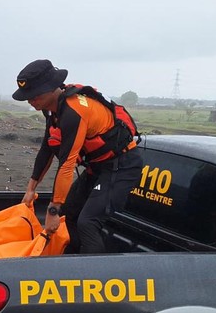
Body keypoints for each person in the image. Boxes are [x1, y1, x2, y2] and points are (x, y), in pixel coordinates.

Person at [12, 59, 143, 253]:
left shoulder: (74, 111)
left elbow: (66, 164)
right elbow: (47, 149)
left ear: (51, 88)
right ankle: (71, 259)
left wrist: (52, 210)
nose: (30, 101)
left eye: (34, 96)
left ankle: (94, 277)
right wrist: (31, 189)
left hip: (122, 166)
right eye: (27, 97)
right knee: (69, 212)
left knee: (87, 221)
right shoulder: (52, 110)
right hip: (97, 168)